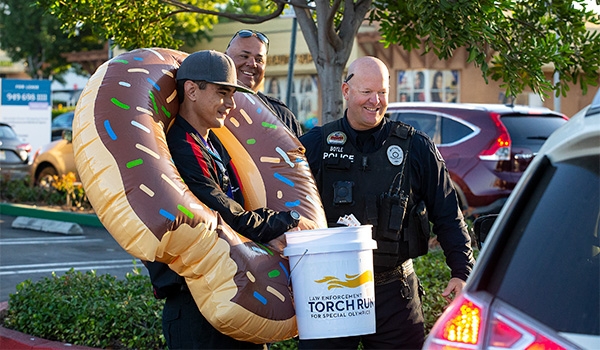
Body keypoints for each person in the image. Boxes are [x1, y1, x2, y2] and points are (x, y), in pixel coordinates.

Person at [145, 50, 318, 350]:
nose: (231, 103)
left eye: (233, 93)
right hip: (196, 309)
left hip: (233, 294)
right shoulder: (181, 148)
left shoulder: (214, 144)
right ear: (191, 90)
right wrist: (286, 221)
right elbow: (222, 211)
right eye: (222, 92)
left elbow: (240, 206)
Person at [299, 57, 475, 349]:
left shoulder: (416, 147)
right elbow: (282, 197)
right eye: (367, 91)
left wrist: (461, 272)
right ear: (346, 90)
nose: (376, 101)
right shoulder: (317, 144)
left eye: (382, 92)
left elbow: (448, 214)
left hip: (394, 293)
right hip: (330, 293)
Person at [226, 29, 303, 137]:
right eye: (244, 56)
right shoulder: (211, 108)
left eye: (259, 60)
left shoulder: (281, 115)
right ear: (225, 58)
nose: (252, 64)